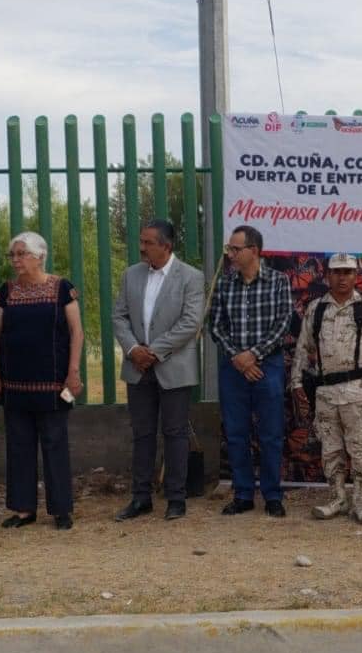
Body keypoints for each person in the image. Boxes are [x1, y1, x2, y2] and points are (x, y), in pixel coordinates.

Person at [113, 219, 205, 522]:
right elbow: (119, 317)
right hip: (137, 366)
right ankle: (141, 498)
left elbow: (191, 322)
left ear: (166, 246)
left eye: (148, 242)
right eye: (141, 241)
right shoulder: (131, 275)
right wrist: (132, 350)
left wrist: (154, 351)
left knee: (175, 432)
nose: (142, 247)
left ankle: (176, 498)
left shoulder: (191, 277)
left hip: (173, 366)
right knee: (142, 434)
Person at [292, 253, 362, 525]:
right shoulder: (316, 308)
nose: (342, 277)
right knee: (330, 449)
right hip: (325, 393)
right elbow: (303, 348)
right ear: (327, 275)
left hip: (357, 390)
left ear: (356, 275)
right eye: (337, 272)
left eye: (348, 272)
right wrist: (297, 383)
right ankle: (337, 498)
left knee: (359, 448)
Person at [0, 232, 83, 530]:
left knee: (55, 443)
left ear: (40, 256)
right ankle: (23, 509)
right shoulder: (6, 292)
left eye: (22, 254)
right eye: (13, 255)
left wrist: (73, 372)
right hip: (15, 384)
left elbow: (76, 332)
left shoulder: (62, 289)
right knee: (18, 445)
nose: (16, 260)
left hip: (55, 382)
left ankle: (61, 510)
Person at [208, 225, 294, 518]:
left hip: (267, 365)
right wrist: (238, 358)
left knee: (270, 434)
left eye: (235, 249)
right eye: (229, 249)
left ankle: (272, 495)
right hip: (233, 368)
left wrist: (253, 355)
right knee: (235, 433)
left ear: (253, 251)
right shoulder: (225, 284)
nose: (230, 254)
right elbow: (216, 327)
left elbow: (283, 324)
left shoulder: (279, 281)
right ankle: (243, 494)